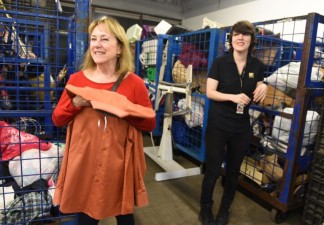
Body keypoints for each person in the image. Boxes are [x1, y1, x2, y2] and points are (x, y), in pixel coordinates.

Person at [52, 16, 156, 225]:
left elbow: (149, 123)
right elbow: (58, 119)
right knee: (86, 214)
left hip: (118, 161)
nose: (97, 45)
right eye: (93, 39)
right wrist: (76, 103)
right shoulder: (77, 80)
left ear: (119, 48)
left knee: (124, 213)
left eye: (104, 39)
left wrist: (120, 106)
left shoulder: (133, 83)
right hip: (84, 161)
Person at [199, 20, 268, 225]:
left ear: (251, 40)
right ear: (231, 38)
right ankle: (206, 208)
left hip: (241, 128)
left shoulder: (257, 66)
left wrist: (264, 85)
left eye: (245, 35)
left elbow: (259, 87)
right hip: (218, 125)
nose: (240, 38)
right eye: (237, 34)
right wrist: (232, 97)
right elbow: (209, 92)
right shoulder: (221, 62)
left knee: (233, 173)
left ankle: (224, 210)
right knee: (212, 170)